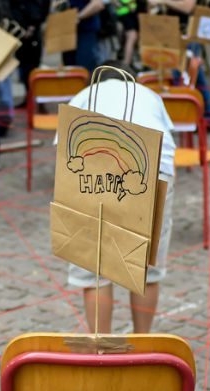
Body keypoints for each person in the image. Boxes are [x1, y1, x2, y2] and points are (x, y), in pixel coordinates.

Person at [61, 61, 176, 334]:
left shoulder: (81, 97)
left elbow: (64, 153)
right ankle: (142, 343)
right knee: (144, 269)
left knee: (95, 271)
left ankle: (100, 349)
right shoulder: (150, 96)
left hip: (89, 173)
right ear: (133, 80)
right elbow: (169, 142)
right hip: (153, 169)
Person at [66, 0, 104, 72]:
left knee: (84, 67)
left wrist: (78, 17)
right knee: (70, 68)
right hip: (69, 32)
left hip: (86, 31)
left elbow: (98, 4)